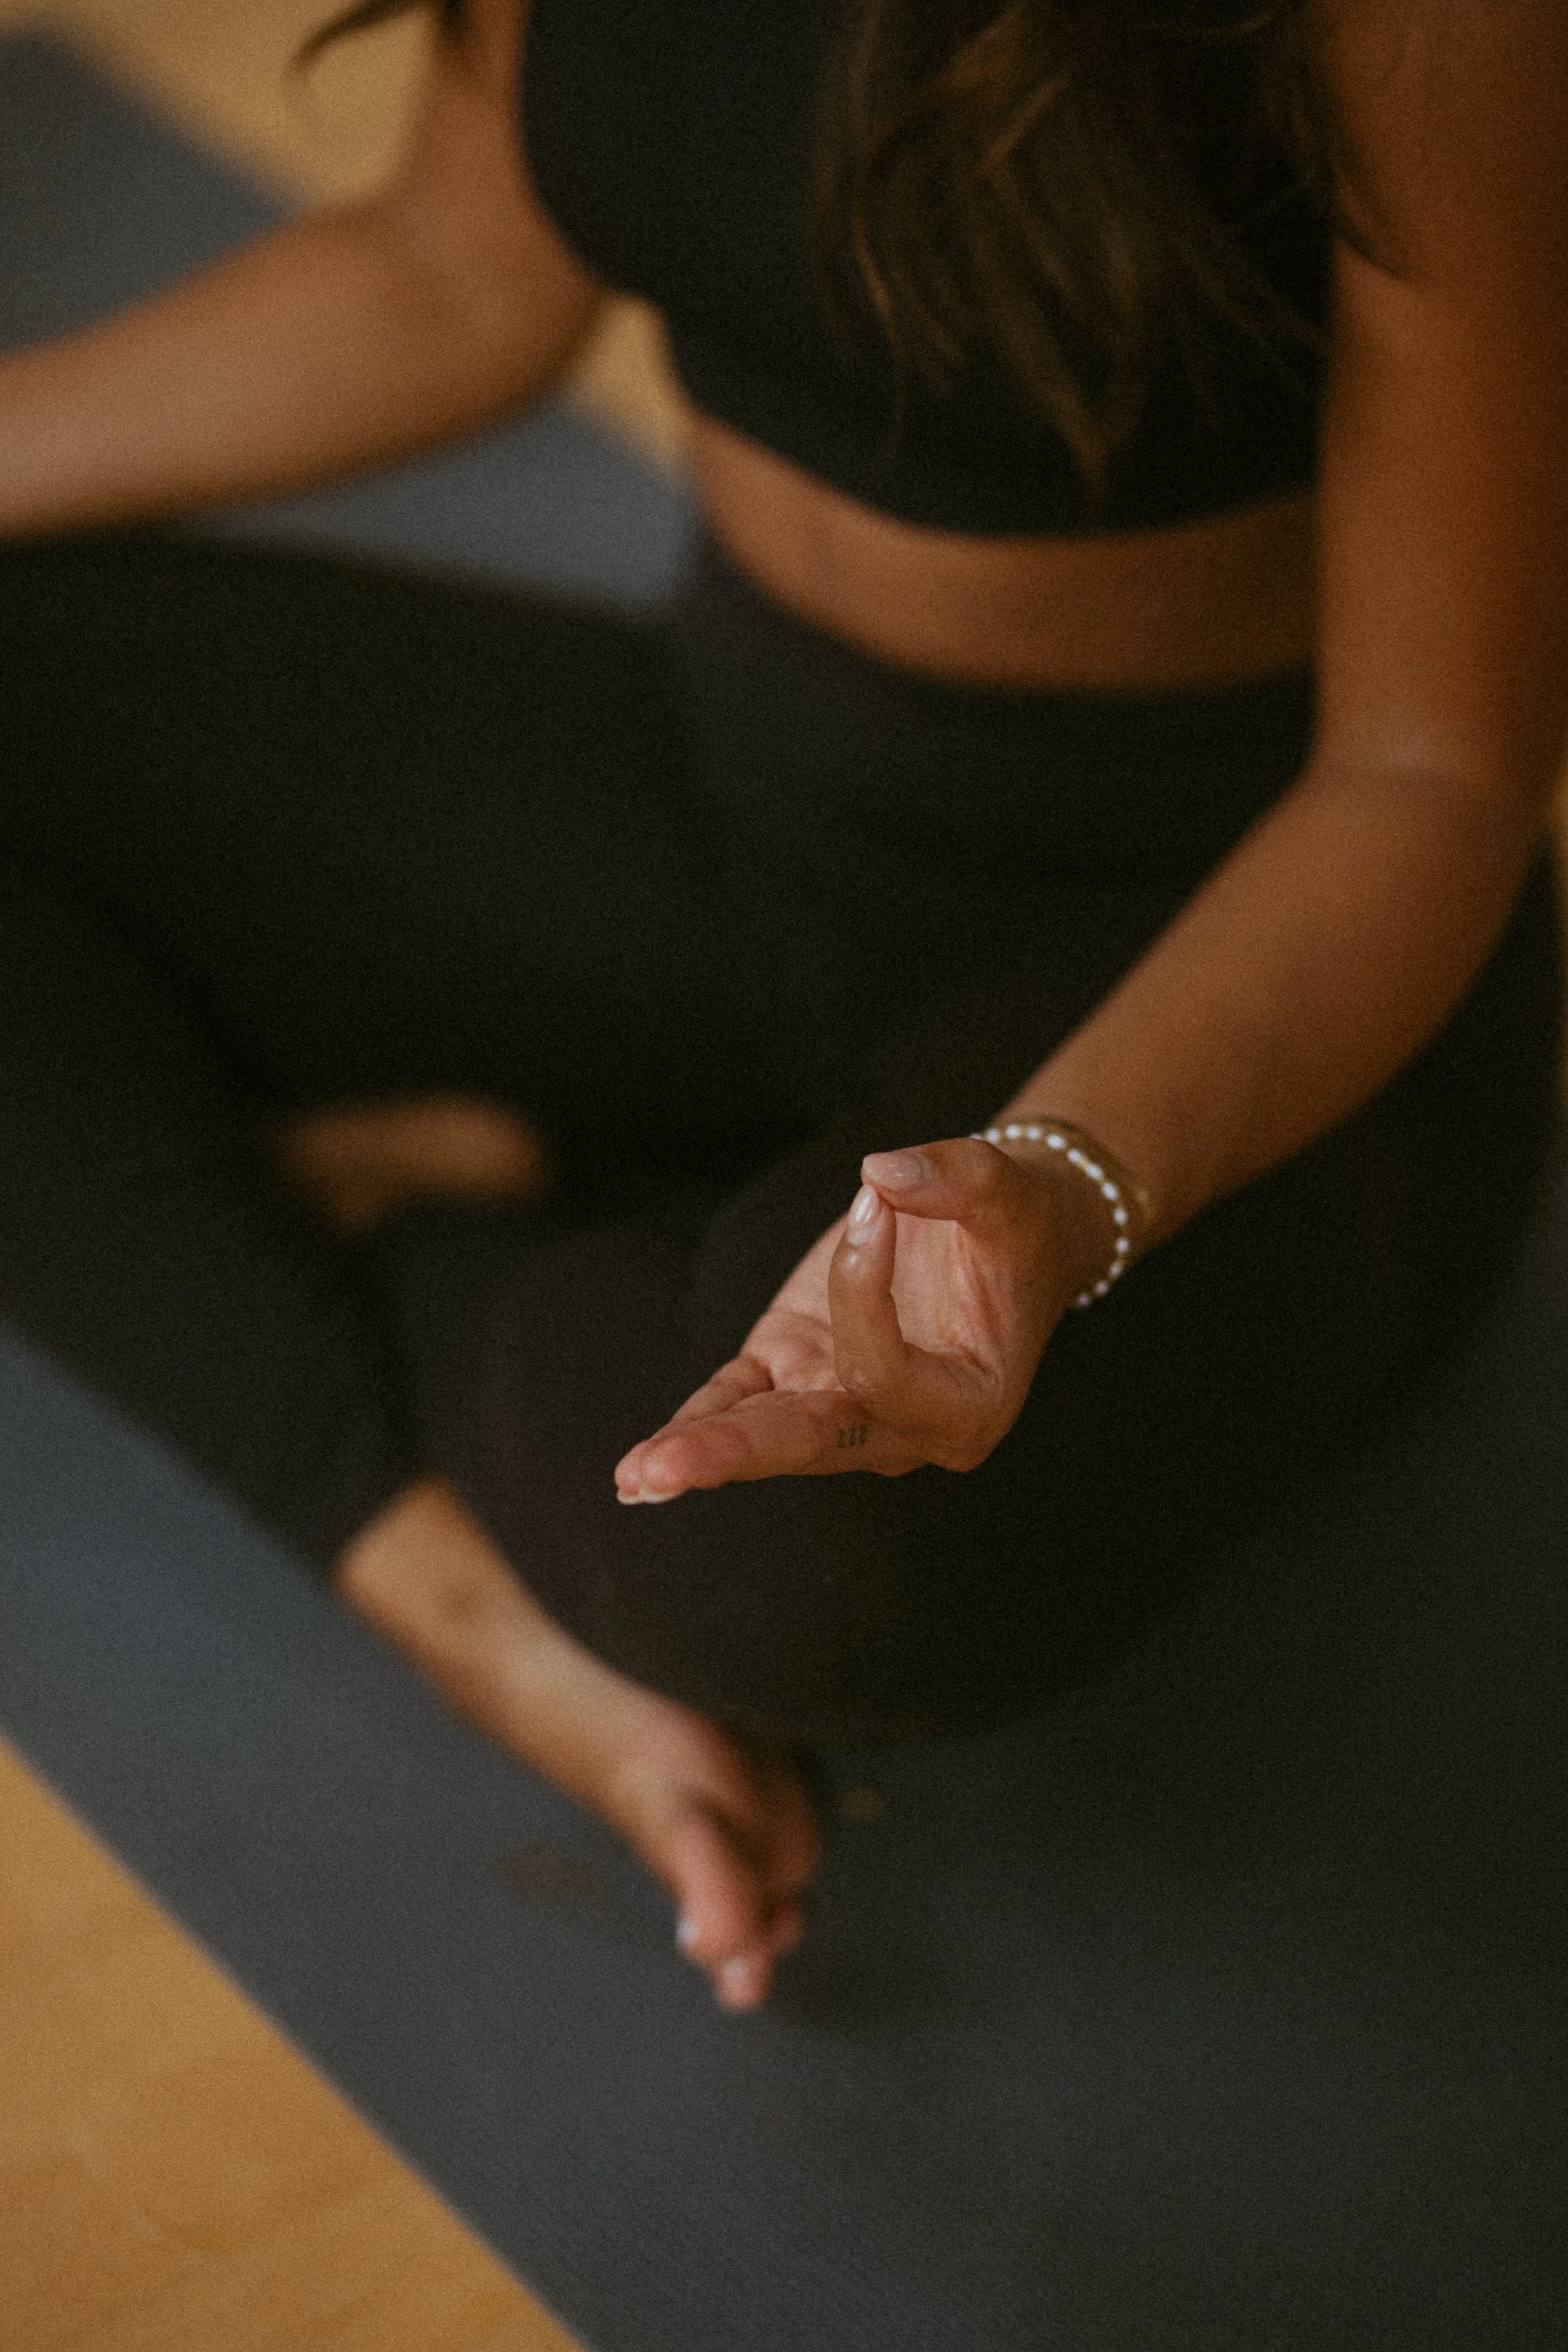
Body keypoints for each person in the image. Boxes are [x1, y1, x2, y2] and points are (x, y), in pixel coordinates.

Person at [1, 0, 1564, 2013]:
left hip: (1224, 966)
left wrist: (1053, 1183)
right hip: (733, 797)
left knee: (805, 1567)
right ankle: (451, 1561)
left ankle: (432, 1216)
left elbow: (1424, 782)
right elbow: (448, 273)